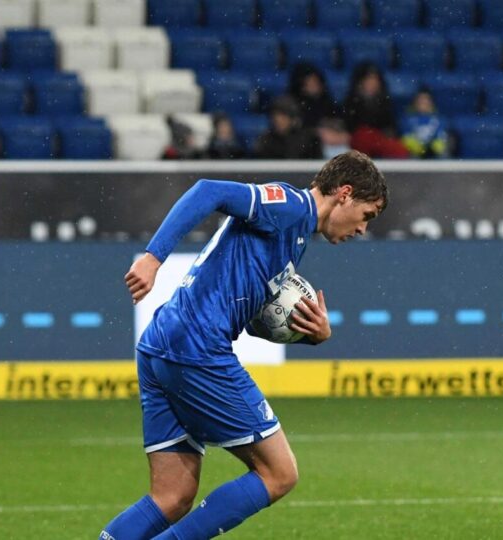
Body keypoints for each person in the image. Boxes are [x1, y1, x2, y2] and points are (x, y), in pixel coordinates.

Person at [100, 150, 388, 540]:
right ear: (344, 194)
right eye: (367, 215)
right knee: (280, 473)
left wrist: (311, 334)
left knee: (172, 495)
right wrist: (154, 257)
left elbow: (252, 320)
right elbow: (208, 191)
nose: (363, 229)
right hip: (197, 348)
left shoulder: (296, 234)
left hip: (161, 344)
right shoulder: (289, 206)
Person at [342, 62, 409, 159]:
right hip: (358, 141)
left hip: (379, 140)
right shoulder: (351, 101)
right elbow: (350, 127)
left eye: (375, 79)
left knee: (400, 150)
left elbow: (390, 127)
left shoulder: (385, 102)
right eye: (368, 79)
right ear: (361, 81)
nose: (372, 82)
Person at [252, 95, 322, 159]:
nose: (278, 122)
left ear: (293, 119)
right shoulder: (265, 141)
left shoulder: (309, 139)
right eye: (275, 118)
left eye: (283, 117)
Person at [286, 62, 339, 130]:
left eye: (316, 82)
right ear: (301, 86)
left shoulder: (329, 105)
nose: (315, 85)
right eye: (309, 82)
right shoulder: (293, 107)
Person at [400, 87, 450, 159]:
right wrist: (419, 147)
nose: (423, 102)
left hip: (435, 155)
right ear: (415, 102)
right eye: (420, 99)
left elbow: (441, 138)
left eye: (426, 99)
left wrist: (433, 146)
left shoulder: (440, 119)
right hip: (414, 154)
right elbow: (406, 138)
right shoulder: (406, 120)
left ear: (431, 102)